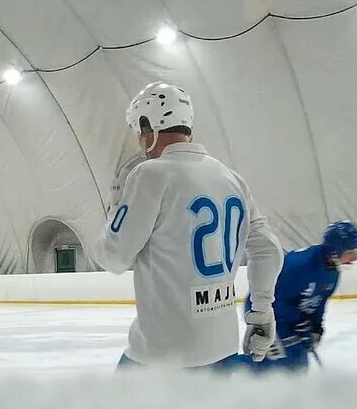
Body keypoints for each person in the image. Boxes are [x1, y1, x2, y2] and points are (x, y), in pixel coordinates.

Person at [90, 81, 283, 370]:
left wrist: (115, 209)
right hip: (222, 350)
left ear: (148, 127)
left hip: (162, 357)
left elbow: (113, 257)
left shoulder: (150, 175)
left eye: (139, 133)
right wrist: (261, 312)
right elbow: (268, 249)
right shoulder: (231, 178)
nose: (140, 143)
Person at [242, 220, 357, 373]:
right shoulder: (299, 265)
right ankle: (224, 369)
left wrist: (316, 328)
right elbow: (274, 297)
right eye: (350, 252)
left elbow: (318, 303)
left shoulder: (333, 273)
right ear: (337, 249)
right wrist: (298, 322)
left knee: (297, 363)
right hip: (264, 312)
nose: (354, 258)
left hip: (289, 319)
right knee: (277, 363)